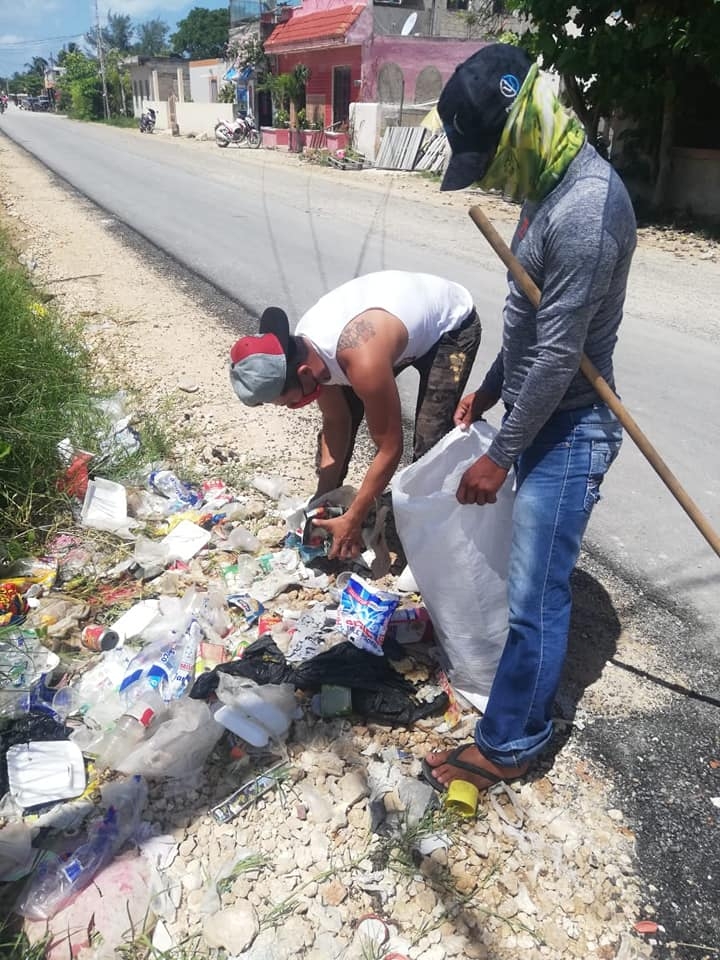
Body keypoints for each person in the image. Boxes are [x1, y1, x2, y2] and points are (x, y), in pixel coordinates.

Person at [422, 44, 637, 792]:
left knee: (535, 592)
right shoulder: (546, 181)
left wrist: (500, 453)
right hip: (539, 408)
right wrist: (487, 388)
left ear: (522, 126)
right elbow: (525, 316)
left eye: (491, 155)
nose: (492, 177)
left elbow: (557, 356)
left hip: (574, 428)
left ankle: (511, 743)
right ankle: (517, 701)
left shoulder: (587, 210)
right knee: (533, 582)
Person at [229, 270, 481, 559]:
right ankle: (332, 513)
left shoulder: (362, 361)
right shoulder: (306, 356)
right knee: (347, 412)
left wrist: (355, 518)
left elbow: (390, 447)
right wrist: (320, 502)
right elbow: (337, 422)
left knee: (429, 441)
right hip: (392, 327)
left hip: (450, 327)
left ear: (304, 373)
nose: (289, 407)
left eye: (287, 402)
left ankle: (432, 541)